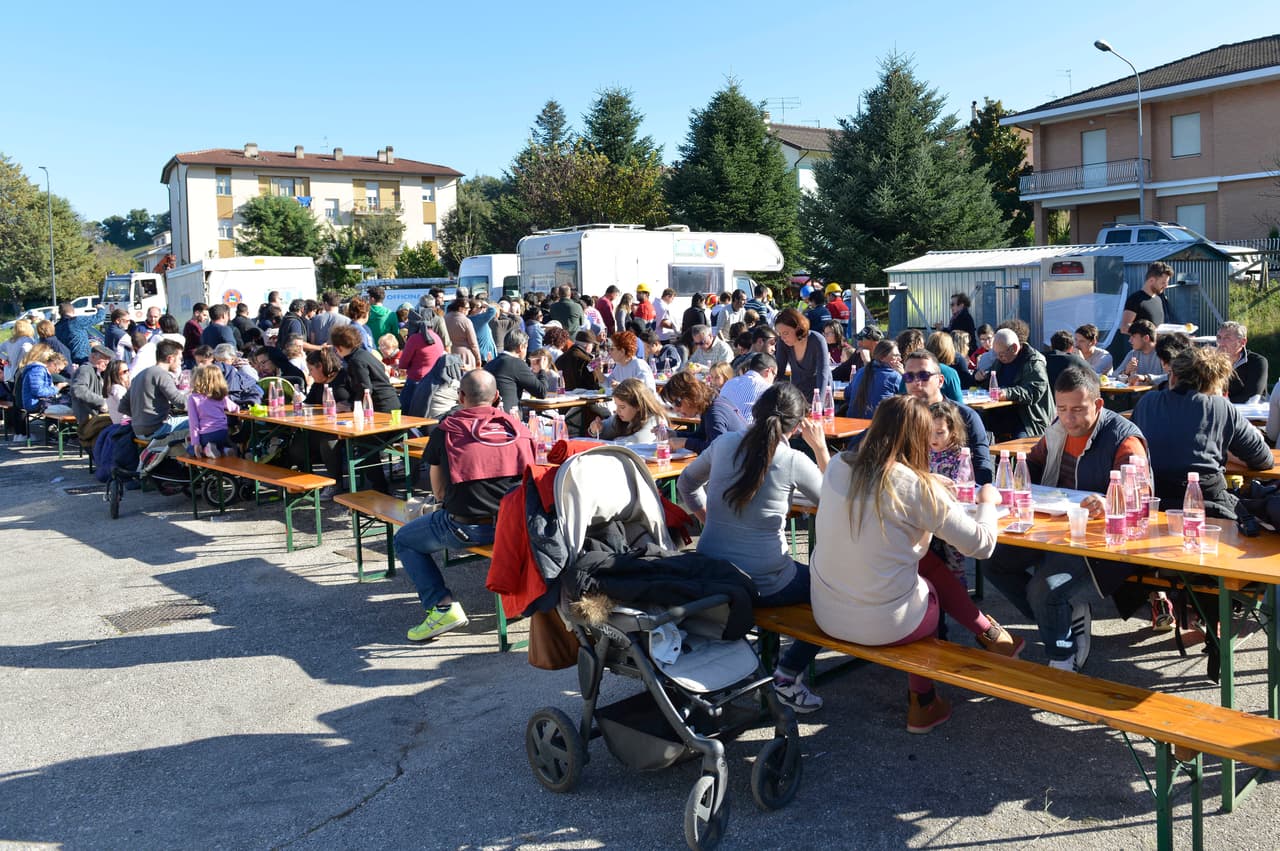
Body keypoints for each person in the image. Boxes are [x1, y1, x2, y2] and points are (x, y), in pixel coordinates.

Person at [810, 395, 1022, 733]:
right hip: (886, 623)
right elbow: (982, 546)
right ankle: (922, 702)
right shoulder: (916, 488)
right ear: (920, 438)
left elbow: (884, 485)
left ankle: (990, 634)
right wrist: (986, 501)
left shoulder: (838, 465)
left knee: (919, 564)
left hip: (826, 613)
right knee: (929, 585)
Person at [677, 384, 830, 712]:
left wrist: (708, 519)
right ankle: (787, 674)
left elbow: (685, 483)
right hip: (766, 582)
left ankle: (765, 665)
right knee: (833, 594)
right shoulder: (793, 459)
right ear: (797, 425)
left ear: (754, 411)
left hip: (713, 572)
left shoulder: (723, 444)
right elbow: (837, 504)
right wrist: (821, 450)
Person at [985, 366, 1149, 670]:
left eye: (1077, 409)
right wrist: (1008, 484)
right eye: (1061, 408)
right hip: (1052, 529)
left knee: (1043, 589)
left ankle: (1063, 656)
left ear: (1099, 405)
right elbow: (1032, 465)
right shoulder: (1057, 429)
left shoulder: (1125, 439)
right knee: (992, 558)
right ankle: (1062, 615)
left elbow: (1139, 492)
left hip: (1098, 544)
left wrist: (1108, 500)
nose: (1068, 417)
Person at [397, 370, 534, 640]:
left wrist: (440, 504)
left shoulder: (447, 429)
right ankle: (519, 597)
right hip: (518, 526)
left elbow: (437, 488)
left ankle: (442, 608)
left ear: (461, 397)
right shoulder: (518, 428)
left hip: (468, 527)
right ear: (496, 397)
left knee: (404, 539)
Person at [1133, 347, 1273, 522]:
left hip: (1154, 502)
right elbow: (1263, 459)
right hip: (1209, 502)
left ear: (1173, 377)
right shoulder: (1221, 407)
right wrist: (1225, 452)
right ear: (1214, 381)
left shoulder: (1147, 402)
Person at [901, 350, 993, 484]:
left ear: (940, 381)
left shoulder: (965, 416)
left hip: (954, 496)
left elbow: (983, 469)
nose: (916, 382)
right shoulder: (900, 415)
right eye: (909, 376)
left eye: (923, 375)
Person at [988, 328, 1052, 438]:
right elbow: (990, 383)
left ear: (1014, 348)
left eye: (1002, 354)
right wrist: (979, 378)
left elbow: (1034, 392)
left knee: (1020, 444)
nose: (999, 357)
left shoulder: (1033, 362)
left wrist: (1007, 393)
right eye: (996, 354)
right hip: (1000, 414)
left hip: (1028, 419)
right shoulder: (999, 362)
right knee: (979, 432)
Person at [118, 339, 188, 440]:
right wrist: (200, 405)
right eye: (179, 359)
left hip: (138, 431)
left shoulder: (140, 375)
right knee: (197, 422)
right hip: (157, 429)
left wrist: (141, 418)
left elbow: (122, 406)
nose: (180, 363)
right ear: (170, 358)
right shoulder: (161, 374)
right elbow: (181, 403)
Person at [661, 371, 746, 453]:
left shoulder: (714, 412)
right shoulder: (710, 405)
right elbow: (702, 436)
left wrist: (685, 443)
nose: (676, 409)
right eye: (673, 404)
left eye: (677, 403)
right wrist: (675, 435)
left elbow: (717, 450)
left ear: (691, 395)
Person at [330, 325, 399, 413]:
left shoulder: (356, 361)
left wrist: (351, 407)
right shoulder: (364, 354)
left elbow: (365, 389)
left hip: (380, 405)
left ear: (338, 348)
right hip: (389, 401)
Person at [774, 308, 832, 401]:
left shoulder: (818, 340)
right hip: (798, 394)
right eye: (780, 334)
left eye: (786, 333)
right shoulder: (782, 342)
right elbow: (779, 371)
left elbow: (823, 373)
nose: (783, 337)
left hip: (821, 392)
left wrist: (819, 404)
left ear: (798, 328)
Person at [484, 329, 547, 412]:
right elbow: (541, 392)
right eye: (526, 348)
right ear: (521, 347)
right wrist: (542, 369)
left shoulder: (490, 364)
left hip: (489, 414)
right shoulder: (517, 363)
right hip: (509, 417)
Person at [591, 378, 667, 444]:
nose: (617, 411)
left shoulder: (656, 420)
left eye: (622, 407)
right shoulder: (622, 417)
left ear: (638, 405)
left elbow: (637, 441)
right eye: (616, 405)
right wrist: (595, 429)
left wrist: (616, 440)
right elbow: (605, 428)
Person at [186, 364, 239, 458]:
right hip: (222, 432)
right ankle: (225, 450)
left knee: (190, 449)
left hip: (207, 433)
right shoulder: (221, 396)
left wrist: (196, 443)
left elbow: (194, 423)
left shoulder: (193, 398)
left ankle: (206, 450)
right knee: (219, 446)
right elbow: (235, 408)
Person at [845, 339, 901, 419]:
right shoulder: (894, 376)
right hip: (877, 426)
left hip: (851, 423)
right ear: (882, 358)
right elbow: (909, 398)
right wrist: (904, 374)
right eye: (895, 356)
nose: (899, 359)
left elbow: (847, 394)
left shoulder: (860, 371)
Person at [398, 316, 446, 409]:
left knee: (405, 411)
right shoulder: (437, 337)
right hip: (434, 382)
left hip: (416, 381)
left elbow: (403, 364)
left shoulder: (414, 339)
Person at [1215, 321, 1268, 403]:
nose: (1221, 343)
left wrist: (1219, 402)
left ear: (1242, 342)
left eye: (1227, 338)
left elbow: (1252, 397)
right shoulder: (1211, 363)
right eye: (1219, 337)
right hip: (1220, 410)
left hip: (1251, 413)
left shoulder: (1257, 362)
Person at [718, 353, 778, 423]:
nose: (773, 380)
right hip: (749, 432)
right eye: (774, 375)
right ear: (768, 371)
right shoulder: (769, 389)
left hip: (722, 430)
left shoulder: (729, 383)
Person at [1120, 261, 1174, 333]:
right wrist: (1149, 332)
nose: (1166, 286)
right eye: (1163, 283)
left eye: (1167, 283)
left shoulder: (1159, 299)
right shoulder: (1135, 299)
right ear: (1151, 280)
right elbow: (1124, 328)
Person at [69, 344, 114, 428]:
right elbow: (78, 389)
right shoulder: (85, 369)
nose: (107, 362)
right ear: (93, 357)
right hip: (88, 418)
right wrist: (101, 402)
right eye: (104, 359)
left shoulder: (96, 372)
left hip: (94, 416)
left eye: (108, 360)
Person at [17, 345, 71, 416]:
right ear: (53, 364)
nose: (58, 372)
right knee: (66, 407)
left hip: (39, 402)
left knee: (66, 403)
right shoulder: (38, 370)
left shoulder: (41, 370)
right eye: (58, 369)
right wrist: (57, 388)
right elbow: (38, 391)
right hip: (34, 403)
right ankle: (55, 426)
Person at [1115, 320, 1165, 386]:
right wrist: (1126, 372)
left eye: (1133, 336)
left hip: (1157, 395)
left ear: (1146, 338)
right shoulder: (1132, 354)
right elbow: (1114, 376)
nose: (1130, 340)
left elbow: (1169, 377)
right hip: (1136, 395)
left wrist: (1145, 378)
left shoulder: (1163, 353)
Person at [445, 297, 481, 368]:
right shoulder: (466, 321)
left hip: (448, 354)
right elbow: (473, 344)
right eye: (467, 308)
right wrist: (478, 358)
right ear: (460, 308)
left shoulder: (444, 318)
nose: (469, 310)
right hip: (464, 355)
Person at [468, 296, 499, 362]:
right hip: (486, 355)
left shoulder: (468, 319)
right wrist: (485, 304)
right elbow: (492, 311)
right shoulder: (478, 318)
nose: (483, 309)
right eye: (481, 307)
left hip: (478, 353)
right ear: (473, 309)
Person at [182, 303, 209, 367]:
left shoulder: (194, 324)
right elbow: (202, 339)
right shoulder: (192, 325)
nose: (206, 318)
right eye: (204, 315)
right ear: (197, 313)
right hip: (192, 357)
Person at [104, 360, 131, 425]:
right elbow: (126, 408)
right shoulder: (118, 389)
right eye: (124, 372)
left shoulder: (112, 388)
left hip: (118, 425)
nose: (128, 373)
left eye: (128, 370)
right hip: (125, 426)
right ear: (115, 373)